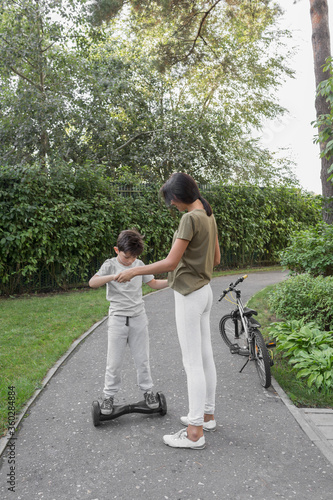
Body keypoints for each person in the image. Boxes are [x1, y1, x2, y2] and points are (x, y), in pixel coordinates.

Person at [116, 173, 221, 449]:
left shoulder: (189, 218)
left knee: (192, 362)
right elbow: (217, 258)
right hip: (205, 292)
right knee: (205, 357)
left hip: (189, 296)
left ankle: (195, 432)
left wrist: (136, 270)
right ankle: (206, 415)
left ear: (176, 197)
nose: (172, 206)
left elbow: (171, 261)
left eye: (171, 201)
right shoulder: (208, 214)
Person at [89, 229, 168, 415]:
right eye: (127, 257)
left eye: (134, 257)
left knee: (142, 359)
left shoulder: (139, 265)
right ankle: (108, 397)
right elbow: (93, 282)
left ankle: (148, 393)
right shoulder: (109, 265)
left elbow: (154, 283)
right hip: (117, 319)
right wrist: (113, 277)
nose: (130, 261)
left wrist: (173, 281)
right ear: (117, 250)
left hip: (138, 318)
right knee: (114, 362)